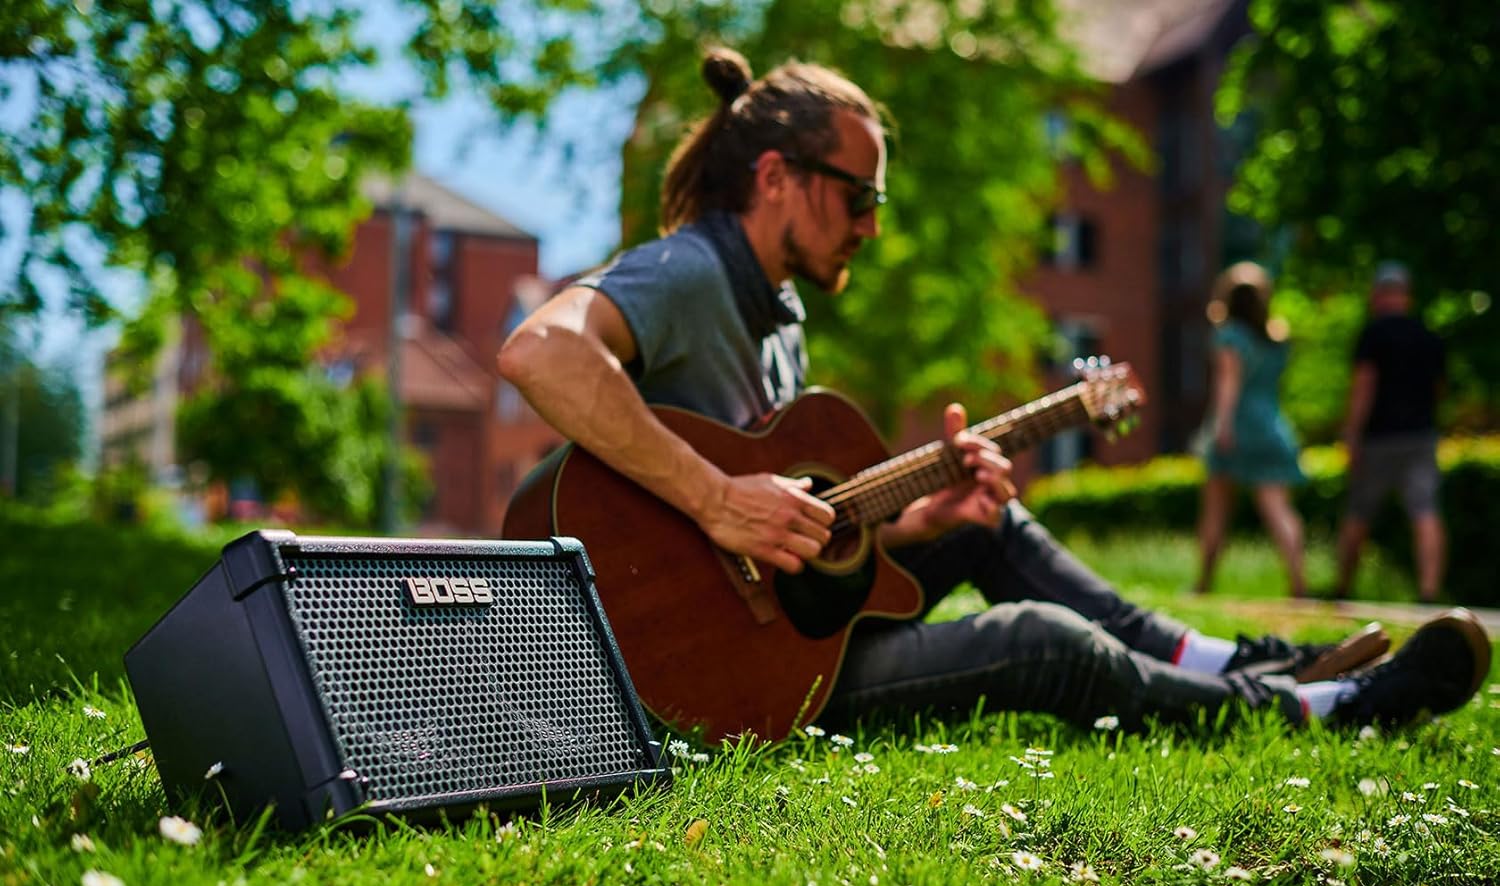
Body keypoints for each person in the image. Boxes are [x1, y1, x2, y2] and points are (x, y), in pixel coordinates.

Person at [497, 48, 1487, 735]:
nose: (871, 226)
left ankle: (1231, 660)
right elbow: (540, 352)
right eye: (859, 197)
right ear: (776, 177)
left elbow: (797, 542)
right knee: (1038, 640)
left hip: (777, 630)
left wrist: (917, 517)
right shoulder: (687, 272)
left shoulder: (777, 312)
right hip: (713, 675)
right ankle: (1320, 708)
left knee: (986, 521)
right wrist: (718, 499)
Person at [1334, 262, 1447, 603]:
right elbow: (1440, 389)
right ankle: (1429, 590)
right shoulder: (1429, 336)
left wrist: (1351, 434)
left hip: (1380, 439)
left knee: (1358, 513)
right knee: (1425, 511)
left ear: (1378, 294)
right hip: (1421, 435)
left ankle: (1343, 588)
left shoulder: (1374, 334)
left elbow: (1363, 387)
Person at [1194, 262, 1307, 597]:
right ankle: (1299, 583)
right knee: (1279, 509)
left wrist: (1223, 427)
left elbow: (1228, 385)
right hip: (1272, 425)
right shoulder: (1276, 339)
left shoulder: (1229, 336)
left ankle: (1204, 583)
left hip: (1238, 426)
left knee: (1216, 509)